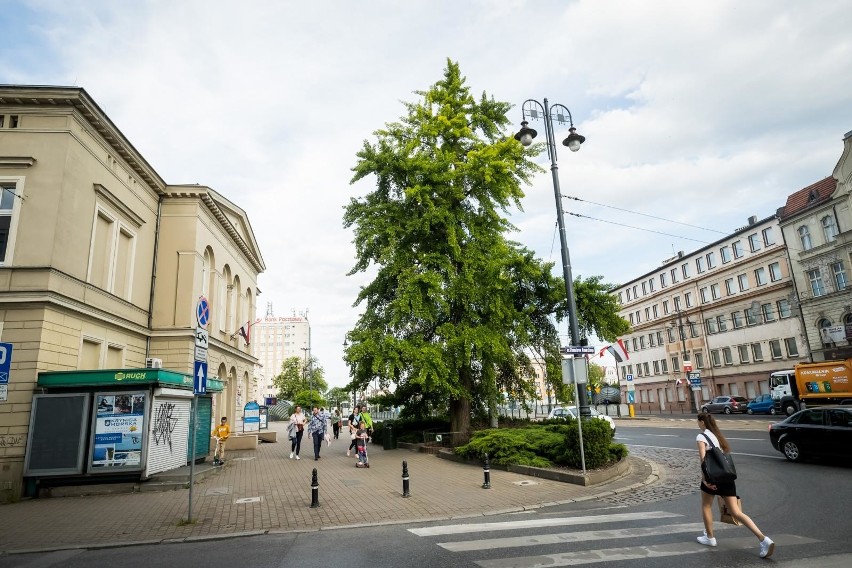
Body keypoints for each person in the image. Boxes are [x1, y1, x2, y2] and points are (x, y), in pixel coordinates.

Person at [696, 412, 774, 558]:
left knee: (706, 506)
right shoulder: (718, 436)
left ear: (702, 422)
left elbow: (703, 460)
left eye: (698, 421)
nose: (698, 424)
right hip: (726, 477)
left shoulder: (701, 437)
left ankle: (710, 537)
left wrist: (706, 480)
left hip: (712, 477)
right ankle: (764, 539)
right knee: (737, 512)